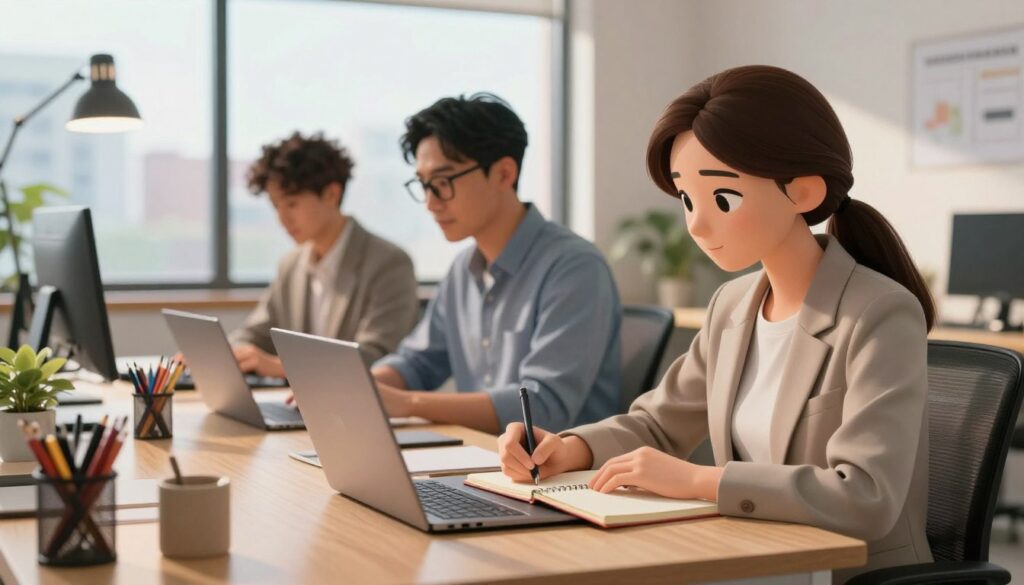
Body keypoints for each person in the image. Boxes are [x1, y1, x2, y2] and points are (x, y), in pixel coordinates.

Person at [497, 65, 935, 583]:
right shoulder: (733, 305)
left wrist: (702, 481)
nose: (697, 223)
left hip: (839, 572)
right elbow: (658, 424)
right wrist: (568, 449)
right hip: (752, 558)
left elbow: (866, 497)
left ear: (804, 192)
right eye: (686, 198)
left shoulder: (880, 313)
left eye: (722, 198)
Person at [371, 93, 622, 434]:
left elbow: (543, 408)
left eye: (443, 183)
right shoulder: (463, 270)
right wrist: (362, 387)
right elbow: (418, 362)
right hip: (482, 461)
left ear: (504, 173)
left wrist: (408, 404)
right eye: (424, 185)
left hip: (560, 477)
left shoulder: (575, 268)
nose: (430, 203)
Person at [229, 131, 419, 377]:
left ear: (331, 193)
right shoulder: (292, 264)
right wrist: (229, 354)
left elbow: (377, 356)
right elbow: (256, 333)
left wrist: (280, 367)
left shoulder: (389, 263)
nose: (282, 219)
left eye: (292, 204)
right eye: (276, 206)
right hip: (298, 408)